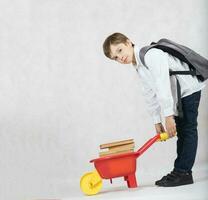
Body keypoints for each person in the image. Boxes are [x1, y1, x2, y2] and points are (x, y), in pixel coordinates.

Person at [102, 32, 206, 187]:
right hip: (177, 94)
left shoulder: (151, 55)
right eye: (115, 58)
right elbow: (149, 92)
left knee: (188, 129)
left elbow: (163, 84)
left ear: (128, 42)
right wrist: (156, 120)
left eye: (119, 50)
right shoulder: (138, 65)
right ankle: (180, 170)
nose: (120, 57)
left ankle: (183, 172)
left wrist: (168, 115)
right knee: (183, 132)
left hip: (187, 90)